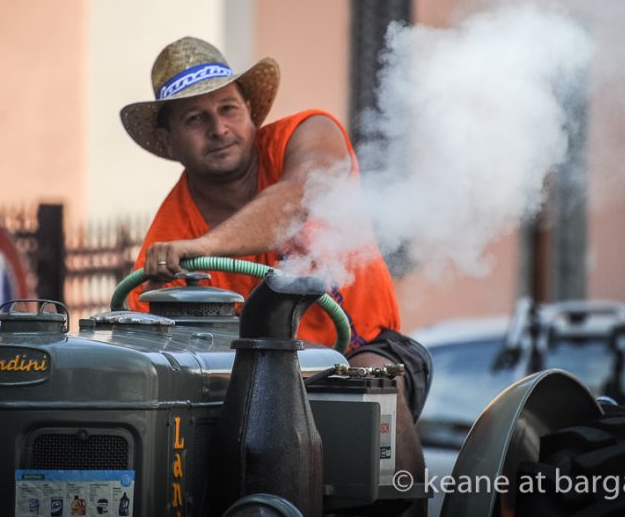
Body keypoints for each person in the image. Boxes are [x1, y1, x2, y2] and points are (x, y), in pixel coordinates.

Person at [119, 36, 431, 512]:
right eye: (195, 119)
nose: (219, 128)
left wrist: (205, 247)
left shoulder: (310, 132)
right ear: (167, 139)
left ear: (250, 111)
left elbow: (299, 197)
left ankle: (402, 508)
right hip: (249, 392)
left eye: (228, 109)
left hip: (361, 347)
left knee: (372, 386)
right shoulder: (164, 238)